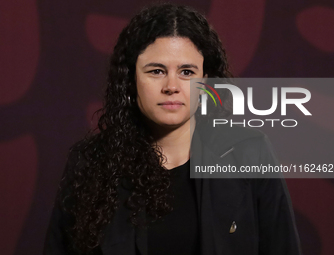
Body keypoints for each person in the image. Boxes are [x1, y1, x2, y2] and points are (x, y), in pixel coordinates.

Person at [43, 2, 302, 255]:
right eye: (156, 71)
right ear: (131, 80)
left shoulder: (249, 152)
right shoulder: (90, 162)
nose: (172, 86)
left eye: (187, 72)